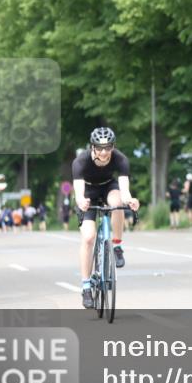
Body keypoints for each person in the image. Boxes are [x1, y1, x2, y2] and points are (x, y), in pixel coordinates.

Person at [73, 127, 140, 308]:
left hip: (108, 186)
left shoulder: (120, 159)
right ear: (92, 147)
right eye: (99, 148)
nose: (104, 152)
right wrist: (82, 201)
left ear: (113, 146)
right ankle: (86, 286)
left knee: (117, 203)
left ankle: (117, 245)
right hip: (87, 192)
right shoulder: (81, 161)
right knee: (88, 237)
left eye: (108, 147)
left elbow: (125, 190)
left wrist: (131, 200)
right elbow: (78, 192)